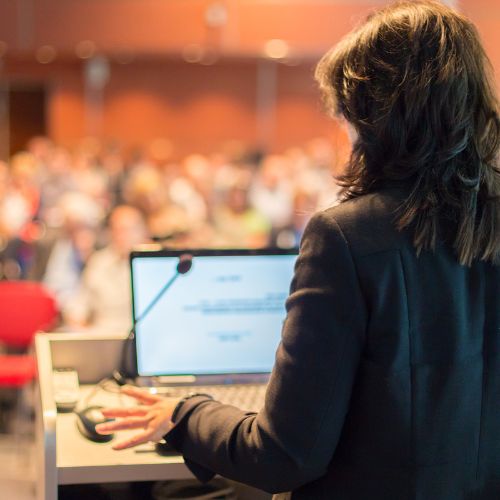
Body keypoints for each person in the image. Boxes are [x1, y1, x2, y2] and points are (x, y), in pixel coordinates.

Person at [96, 1, 500, 498]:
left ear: (374, 119)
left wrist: (182, 414)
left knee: (161, 490)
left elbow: (284, 455)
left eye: (347, 116)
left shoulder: (348, 236)